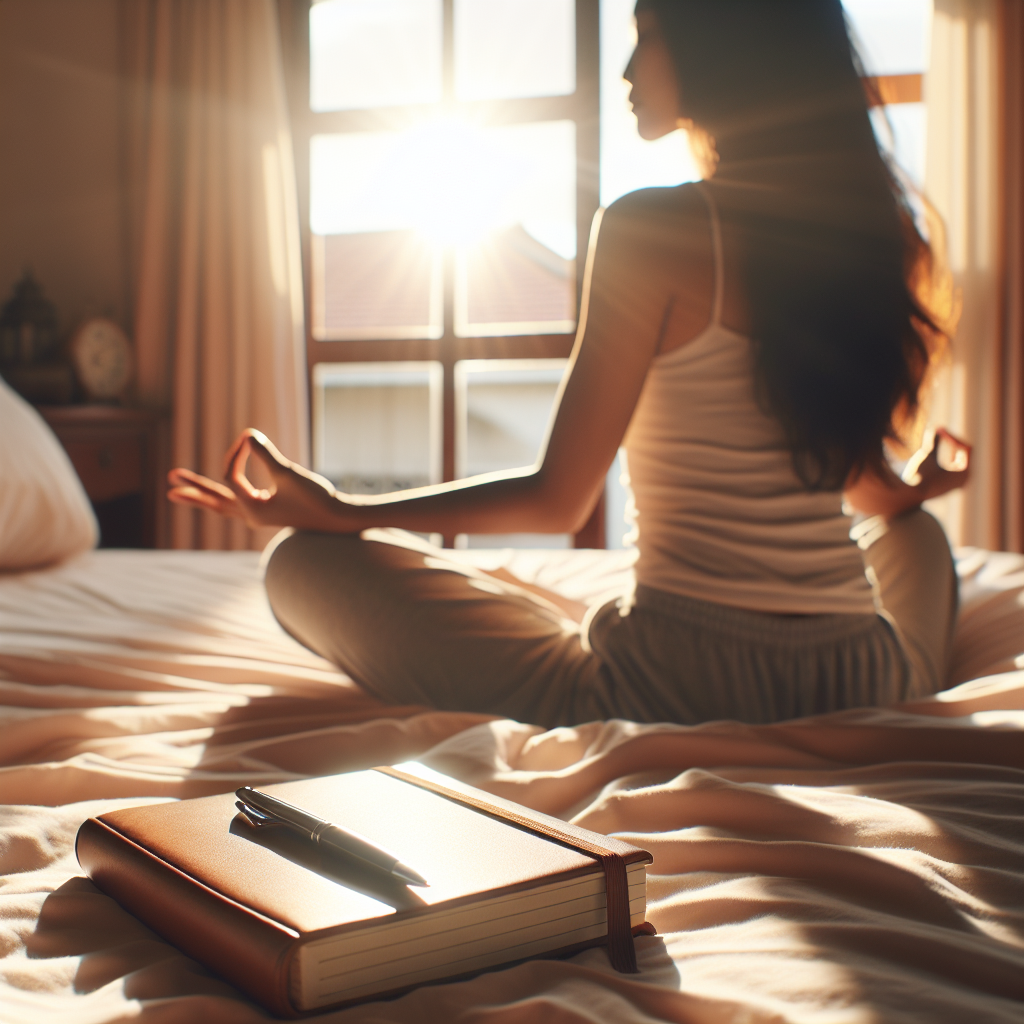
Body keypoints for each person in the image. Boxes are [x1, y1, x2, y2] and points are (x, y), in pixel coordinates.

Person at [168, 0, 971, 729]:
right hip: (857, 673)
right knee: (917, 535)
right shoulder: (862, 243)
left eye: (647, 38)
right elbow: (859, 484)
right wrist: (913, 490)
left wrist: (344, 512)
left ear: (722, 51)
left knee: (299, 564)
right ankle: (909, 672)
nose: (626, 70)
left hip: (668, 682)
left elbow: (561, 496)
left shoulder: (649, 229)